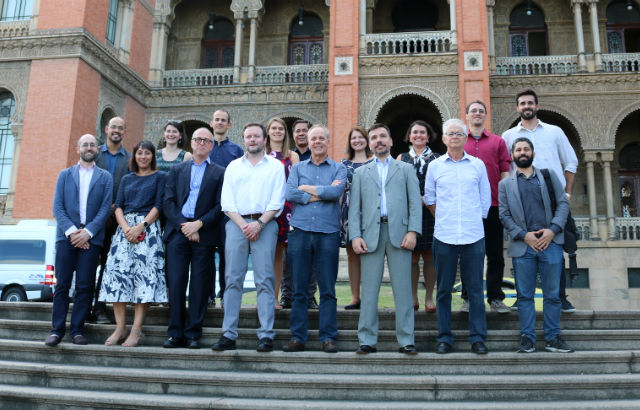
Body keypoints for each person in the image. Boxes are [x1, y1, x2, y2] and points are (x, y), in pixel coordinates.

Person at [502, 89, 579, 313]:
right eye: (522, 103)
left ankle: (560, 297)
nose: (526, 106)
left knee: (556, 246)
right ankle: (521, 296)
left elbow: (571, 162)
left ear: (537, 106)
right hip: (522, 198)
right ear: (517, 108)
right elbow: (506, 167)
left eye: (530, 103)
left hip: (553, 199)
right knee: (521, 247)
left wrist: (567, 194)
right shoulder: (508, 136)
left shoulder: (555, 132)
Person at [349, 123, 422, 355]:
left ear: (391, 141)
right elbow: (354, 208)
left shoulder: (406, 169)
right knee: (369, 291)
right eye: (374, 137)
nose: (378, 140)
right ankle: (367, 340)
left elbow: (414, 203)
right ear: (370, 144)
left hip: (400, 234)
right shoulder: (360, 173)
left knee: (403, 289)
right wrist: (355, 235)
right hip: (371, 235)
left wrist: (413, 231)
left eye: (383, 136)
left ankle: (406, 339)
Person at [212, 123, 285, 352]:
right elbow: (227, 201)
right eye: (248, 136)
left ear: (264, 140)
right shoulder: (234, 166)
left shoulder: (275, 166)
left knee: (265, 279)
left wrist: (259, 224)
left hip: (266, 224)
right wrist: (245, 225)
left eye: (256, 136)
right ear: (244, 139)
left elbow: (277, 200)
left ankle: (265, 334)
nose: (252, 139)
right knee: (233, 279)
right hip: (237, 224)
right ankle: (228, 333)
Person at [499, 137, 574, 353]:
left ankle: (553, 337)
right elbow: (503, 214)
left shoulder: (548, 177)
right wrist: (524, 235)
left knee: (552, 294)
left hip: (550, 243)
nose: (522, 152)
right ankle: (528, 338)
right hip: (524, 246)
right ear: (512, 156)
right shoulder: (505, 184)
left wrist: (552, 230)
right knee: (524, 295)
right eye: (518, 149)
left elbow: (562, 205)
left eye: (526, 149)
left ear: (532, 153)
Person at [425, 118, 491, 355]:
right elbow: (430, 199)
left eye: (459, 133)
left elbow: (485, 199)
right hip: (444, 235)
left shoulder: (477, 165)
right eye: (450, 133)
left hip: (473, 236)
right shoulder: (435, 167)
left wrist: (471, 218)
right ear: (443, 139)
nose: (455, 136)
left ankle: (478, 337)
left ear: (465, 138)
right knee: (443, 290)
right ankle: (444, 337)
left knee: (474, 290)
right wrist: (446, 217)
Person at [283, 125, 347, 353]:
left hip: (327, 233)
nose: (317, 142)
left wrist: (308, 190)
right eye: (314, 139)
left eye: (321, 138)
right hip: (300, 232)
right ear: (308, 143)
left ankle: (328, 337)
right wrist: (320, 193)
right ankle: (297, 337)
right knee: (299, 289)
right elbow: (290, 193)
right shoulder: (297, 167)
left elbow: (335, 193)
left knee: (328, 288)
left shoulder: (339, 168)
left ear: (327, 141)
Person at [46, 134, 113, 346]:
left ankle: (77, 330)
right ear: (78, 149)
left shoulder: (105, 177)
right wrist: (74, 233)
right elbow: (58, 207)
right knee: (62, 285)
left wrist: (88, 233)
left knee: (85, 286)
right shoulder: (65, 175)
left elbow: (105, 209)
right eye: (85, 144)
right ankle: (57, 330)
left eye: (93, 144)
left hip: (91, 240)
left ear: (97, 149)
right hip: (66, 238)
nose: (89, 147)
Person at [99, 141, 168, 347]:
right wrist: (126, 228)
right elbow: (118, 205)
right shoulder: (127, 178)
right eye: (140, 153)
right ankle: (120, 328)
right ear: (135, 156)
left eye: (147, 153)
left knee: (143, 281)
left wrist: (141, 226)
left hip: (148, 230)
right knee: (118, 278)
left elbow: (159, 205)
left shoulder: (160, 177)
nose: (143, 157)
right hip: (124, 231)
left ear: (152, 156)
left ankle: (136, 330)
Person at [162, 127, 225, 349]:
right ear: (192, 143)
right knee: (177, 282)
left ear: (211, 146)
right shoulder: (178, 170)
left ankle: (193, 333)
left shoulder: (219, 172)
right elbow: (168, 202)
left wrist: (199, 224)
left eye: (206, 140)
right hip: (179, 233)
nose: (201, 143)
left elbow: (220, 205)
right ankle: (175, 333)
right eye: (198, 139)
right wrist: (185, 226)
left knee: (199, 285)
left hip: (204, 234)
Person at [461, 100, 512, 314]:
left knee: (495, 255)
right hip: (467, 207)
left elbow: (505, 171)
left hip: (493, 205)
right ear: (467, 116)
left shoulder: (498, 142)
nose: (477, 114)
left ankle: (495, 298)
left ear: (485, 115)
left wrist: (504, 198)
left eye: (481, 111)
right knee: (468, 254)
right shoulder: (459, 141)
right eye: (474, 111)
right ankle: (469, 298)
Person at [397, 120, 439, 313]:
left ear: (428, 136)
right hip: (408, 214)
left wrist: (427, 199)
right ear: (409, 136)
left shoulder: (437, 158)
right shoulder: (401, 158)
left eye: (423, 132)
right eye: (415, 132)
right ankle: (413, 296)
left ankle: (429, 296)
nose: (418, 135)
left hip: (431, 213)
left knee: (430, 255)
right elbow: (395, 186)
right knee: (411, 256)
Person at [92, 116, 131, 324]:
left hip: (116, 224)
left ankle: (100, 308)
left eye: (120, 128)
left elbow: (130, 189)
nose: (116, 130)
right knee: (88, 267)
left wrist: (115, 212)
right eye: (113, 127)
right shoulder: (94, 154)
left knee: (109, 268)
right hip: (91, 223)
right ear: (107, 129)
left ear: (125, 132)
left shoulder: (130, 159)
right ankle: (83, 307)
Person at [280, 119, 319, 309]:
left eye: (305, 130)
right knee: (287, 256)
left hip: (311, 212)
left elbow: (321, 188)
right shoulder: (288, 156)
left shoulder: (318, 156)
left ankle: (310, 295)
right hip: (288, 212)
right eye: (298, 131)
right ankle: (286, 295)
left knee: (310, 256)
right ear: (293, 135)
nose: (301, 134)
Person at [208, 109, 244, 307]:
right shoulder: (204, 147)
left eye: (224, 120)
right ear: (211, 123)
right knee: (205, 254)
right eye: (217, 120)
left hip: (228, 213)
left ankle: (224, 293)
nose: (220, 123)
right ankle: (208, 294)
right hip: (205, 210)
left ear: (229, 125)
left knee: (225, 255)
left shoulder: (236, 151)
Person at [265, 117, 299, 310]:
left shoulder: (291, 156)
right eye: (273, 128)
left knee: (278, 255)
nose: (277, 131)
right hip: (265, 208)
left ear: (285, 132)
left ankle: (275, 298)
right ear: (268, 132)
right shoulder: (261, 153)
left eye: (281, 128)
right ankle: (264, 297)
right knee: (264, 255)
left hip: (285, 208)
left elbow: (294, 183)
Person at [340, 126, 373, 310]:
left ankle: (368, 296)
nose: (357, 141)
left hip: (371, 213)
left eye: (361, 137)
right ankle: (355, 297)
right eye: (354, 138)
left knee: (370, 255)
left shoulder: (375, 162)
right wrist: (338, 215)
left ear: (367, 140)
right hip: (349, 213)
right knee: (352, 255)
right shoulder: (344, 165)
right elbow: (340, 192)